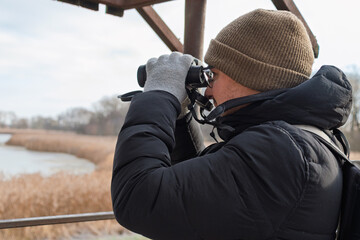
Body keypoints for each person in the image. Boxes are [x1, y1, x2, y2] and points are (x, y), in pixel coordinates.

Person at [111, 9, 352, 240]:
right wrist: (179, 116)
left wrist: (159, 94)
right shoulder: (302, 143)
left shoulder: (281, 152)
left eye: (213, 75)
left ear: (251, 76)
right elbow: (196, 197)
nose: (207, 90)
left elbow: (137, 197)